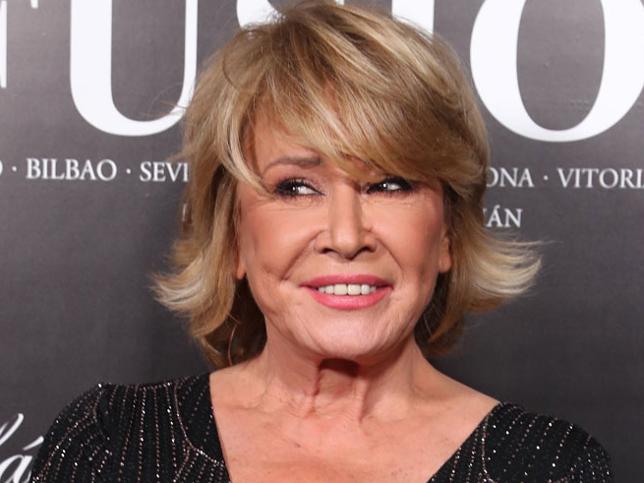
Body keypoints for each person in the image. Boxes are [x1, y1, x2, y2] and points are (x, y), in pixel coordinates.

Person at [31, 1, 612, 481]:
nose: (346, 236)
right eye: (296, 187)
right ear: (232, 234)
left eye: (389, 184)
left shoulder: (551, 469)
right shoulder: (109, 444)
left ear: (448, 233)